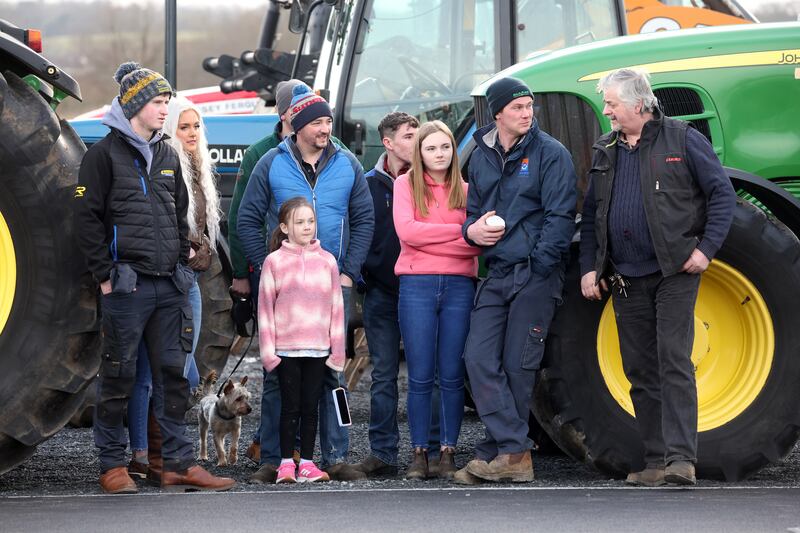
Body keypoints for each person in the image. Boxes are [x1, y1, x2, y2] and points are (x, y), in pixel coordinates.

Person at [74, 61, 233, 493]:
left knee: (173, 377)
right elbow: (86, 219)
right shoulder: (102, 156)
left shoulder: (166, 153)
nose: (165, 110)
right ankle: (112, 465)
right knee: (119, 375)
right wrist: (105, 276)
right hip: (127, 287)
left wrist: (182, 263)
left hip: (169, 285)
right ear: (136, 105)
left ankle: (176, 464)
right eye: (159, 102)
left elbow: (178, 214)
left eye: (166, 102)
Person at [579, 68, 736, 486]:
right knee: (640, 369)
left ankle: (681, 460)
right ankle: (653, 462)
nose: (607, 110)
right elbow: (594, 214)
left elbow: (722, 194)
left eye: (612, 103)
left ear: (639, 104)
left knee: (673, 361)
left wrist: (705, 251)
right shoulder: (605, 149)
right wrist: (590, 268)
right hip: (626, 276)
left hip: (674, 272)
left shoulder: (683, 139)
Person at [238, 84, 374, 482]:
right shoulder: (270, 163)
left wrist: (348, 270)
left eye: (328, 121)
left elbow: (364, 219)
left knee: (334, 373)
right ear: (296, 127)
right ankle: (275, 460)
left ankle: (334, 456)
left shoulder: (347, 163)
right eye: (316, 122)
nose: (325, 128)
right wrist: (269, 268)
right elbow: (246, 218)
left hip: (332, 287)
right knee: (276, 375)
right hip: (284, 293)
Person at [455, 77, 577, 484]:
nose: (527, 113)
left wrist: (540, 265)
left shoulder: (551, 153)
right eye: (518, 107)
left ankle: (502, 452)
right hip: (497, 272)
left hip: (535, 273)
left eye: (529, 107)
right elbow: (473, 211)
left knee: (517, 365)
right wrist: (471, 233)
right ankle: (512, 448)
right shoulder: (481, 155)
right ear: (498, 114)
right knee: (476, 358)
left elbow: (562, 217)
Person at [126, 95, 222, 482]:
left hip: (191, 278)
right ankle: (142, 454)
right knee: (147, 374)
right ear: (168, 131)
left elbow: (202, 227)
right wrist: (188, 249)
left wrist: (205, 248)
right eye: (184, 127)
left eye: (196, 126)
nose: (192, 133)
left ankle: (163, 451)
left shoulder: (200, 169)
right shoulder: (164, 165)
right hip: (166, 279)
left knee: (187, 373)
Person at [393, 120, 481, 480]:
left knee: (451, 374)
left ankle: (448, 451)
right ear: (420, 152)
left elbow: (478, 241)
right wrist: (460, 232)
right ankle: (419, 453)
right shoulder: (404, 186)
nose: (439, 154)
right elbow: (408, 232)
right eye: (431, 148)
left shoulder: (467, 190)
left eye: (445, 147)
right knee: (419, 374)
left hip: (460, 286)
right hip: (417, 285)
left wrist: (447, 237)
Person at [258, 197, 346, 483]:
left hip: (318, 349)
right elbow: (265, 310)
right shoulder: (274, 262)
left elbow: (337, 308)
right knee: (289, 407)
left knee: (311, 407)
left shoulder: (327, 262)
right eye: (299, 222)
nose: (307, 227)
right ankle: (285, 463)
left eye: (311, 221)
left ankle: (307, 463)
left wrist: (338, 351)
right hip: (286, 350)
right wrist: (269, 352)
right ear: (284, 227)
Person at [353, 112, 418, 477]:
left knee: (429, 374)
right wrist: (364, 279)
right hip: (381, 293)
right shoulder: (367, 185)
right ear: (389, 143)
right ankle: (383, 453)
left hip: (422, 289)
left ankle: (429, 451)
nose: (417, 141)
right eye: (410, 135)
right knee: (384, 376)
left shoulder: (430, 180)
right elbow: (358, 232)